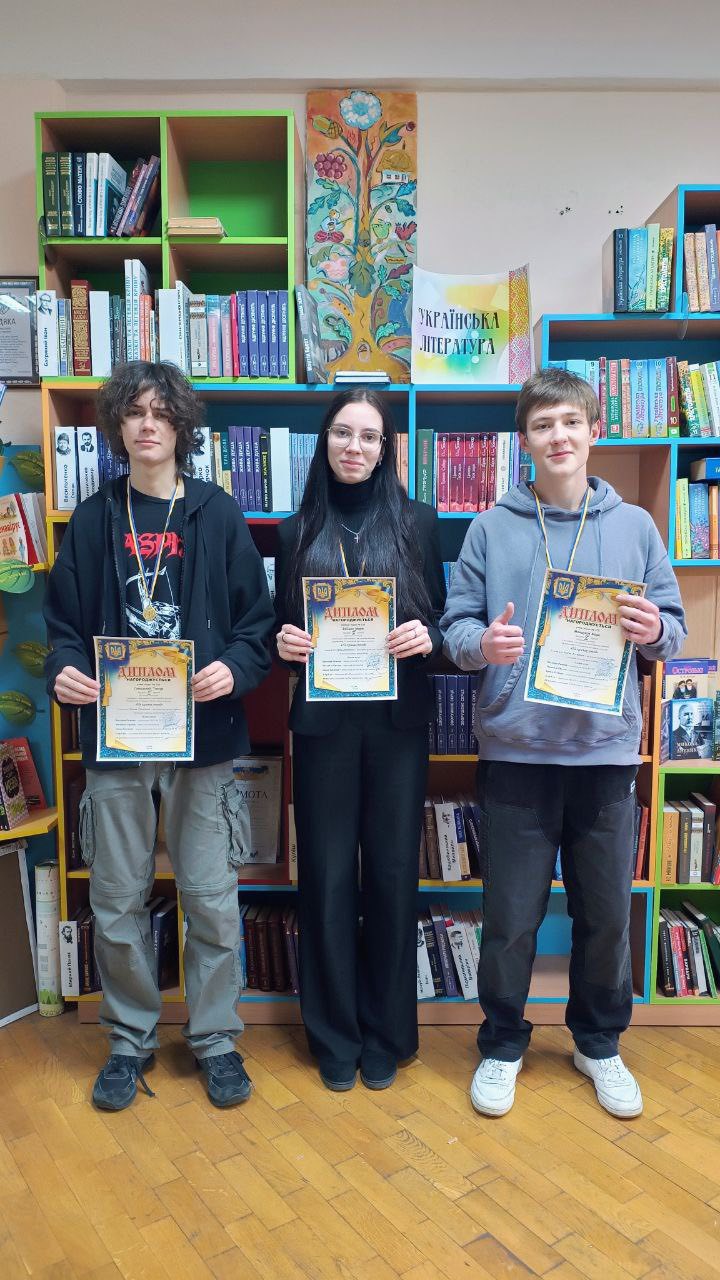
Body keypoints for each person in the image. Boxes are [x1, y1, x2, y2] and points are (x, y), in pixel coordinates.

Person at [441, 367, 686, 1120]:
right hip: (516, 754)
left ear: (594, 432)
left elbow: (673, 629)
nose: (558, 436)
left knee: (606, 915)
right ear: (525, 440)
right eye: (543, 425)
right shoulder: (490, 527)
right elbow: (456, 629)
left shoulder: (636, 526)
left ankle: (598, 1043)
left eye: (571, 423)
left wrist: (655, 630)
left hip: (605, 757)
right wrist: (485, 645)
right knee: (510, 918)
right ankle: (502, 1044)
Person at [44, 361, 275, 1112]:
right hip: (117, 740)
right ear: (118, 426)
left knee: (210, 897)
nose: (148, 424)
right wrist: (64, 671)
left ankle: (215, 1039)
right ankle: (129, 1040)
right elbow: (63, 628)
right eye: (135, 412)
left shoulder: (217, 513)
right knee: (116, 899)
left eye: (161, 412)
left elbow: (257, 625)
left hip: (202, 739)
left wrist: (232, 670)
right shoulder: (92, 519)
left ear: (181, 426)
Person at [274, 388, 446, 1092]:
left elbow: (442, 625)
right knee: (325, 878)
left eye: (369, 437)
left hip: (398, 726)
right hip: (324, 728)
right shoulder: (294, 531)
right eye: (343, 433)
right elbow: (278, 628)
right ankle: (334, 1034)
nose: (355, 447)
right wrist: (284, 644)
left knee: (393, 877)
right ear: (326, 441)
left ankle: (387, 1033)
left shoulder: (419, 522)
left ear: (385, 449)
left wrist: (425, 635)